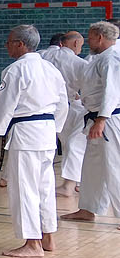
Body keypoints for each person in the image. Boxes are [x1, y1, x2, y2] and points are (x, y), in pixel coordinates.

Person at [0, 24, 68, 257]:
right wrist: (55, 129)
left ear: (20, 44)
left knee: (25, 189)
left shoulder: (16, 70)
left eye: (9, 42)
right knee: (44, 187)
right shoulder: (51, 69)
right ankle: (48, 237)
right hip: (47, 132)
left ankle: (32, 244)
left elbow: (4, 104)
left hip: (27, 134)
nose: (6, 46)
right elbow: (63, 103)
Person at [61, 21, 120, 222]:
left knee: (114, 166)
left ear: (100, 37)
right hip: (95, 117)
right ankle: (87, 209)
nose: (87, 41)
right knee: (92, 167)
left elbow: (112, 92)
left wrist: (101, 120)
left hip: (109, 119)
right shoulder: (98, 58)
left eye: (90, 37)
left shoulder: (112, 58)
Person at [42, 30, 89, 196]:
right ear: (75, 43)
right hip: (70, 107)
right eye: (81, 45)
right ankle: (70, 184)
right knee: (75, 144)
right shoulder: (80, 63)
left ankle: (73, 182)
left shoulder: (43, 55)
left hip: (47, 108)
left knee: (60, 144)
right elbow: (90, 88)